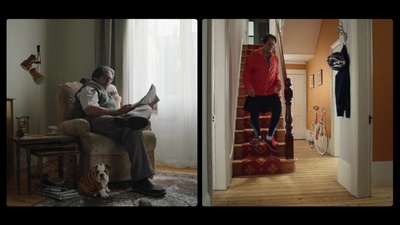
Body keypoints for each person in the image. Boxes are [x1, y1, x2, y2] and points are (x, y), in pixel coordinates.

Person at [73, 66, 165, 197]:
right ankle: (141, 181)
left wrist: (128, 109)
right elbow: (89, 109)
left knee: (142, 113)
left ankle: (140, 181)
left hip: (117, 120)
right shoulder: (89, 88)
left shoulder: (107, 92)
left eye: (111, 79)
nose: (109, 81)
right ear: (96, 77)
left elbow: (116, 112)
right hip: (99, 121)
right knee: (132, 126)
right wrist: (116, 112)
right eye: (106, 78)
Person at [243, 34, 282, 151]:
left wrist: (278, 82)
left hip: (271, 91)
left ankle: (270, 137)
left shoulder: (275, 58)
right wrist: (249, 87)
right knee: (254, 113)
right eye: (269, 44)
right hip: (256, 92)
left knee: (278, 109)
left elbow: (276, 74)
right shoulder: (254, 56)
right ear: (263, 44)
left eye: (273, 45)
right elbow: (247, 73)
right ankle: (258, 136)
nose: (271, 47)